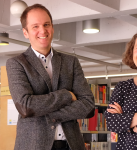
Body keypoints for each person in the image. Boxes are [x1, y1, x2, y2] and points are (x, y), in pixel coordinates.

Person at [6, 4, 95, 150]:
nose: (42, 30)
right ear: (25, 32)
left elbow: (88, 106)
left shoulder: (70, 62)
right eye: (35, 26)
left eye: (46, 24)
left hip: (71, 145)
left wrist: (44, 113)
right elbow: (26, 107)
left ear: (52, 27)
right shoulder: (16, 64)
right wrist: (66, 95)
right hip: (34, 145)